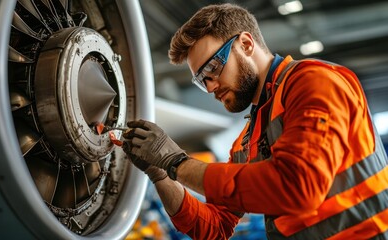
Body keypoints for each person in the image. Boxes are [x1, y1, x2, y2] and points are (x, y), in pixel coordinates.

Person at [122, 3, 388, 239]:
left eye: (213, 69)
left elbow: (298, 188)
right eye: (202, 81)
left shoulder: (315, 82)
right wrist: (160, 173)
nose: (211, 87)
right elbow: (213, 228)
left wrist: (177, 163)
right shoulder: (249, 138)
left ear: (246, 45)